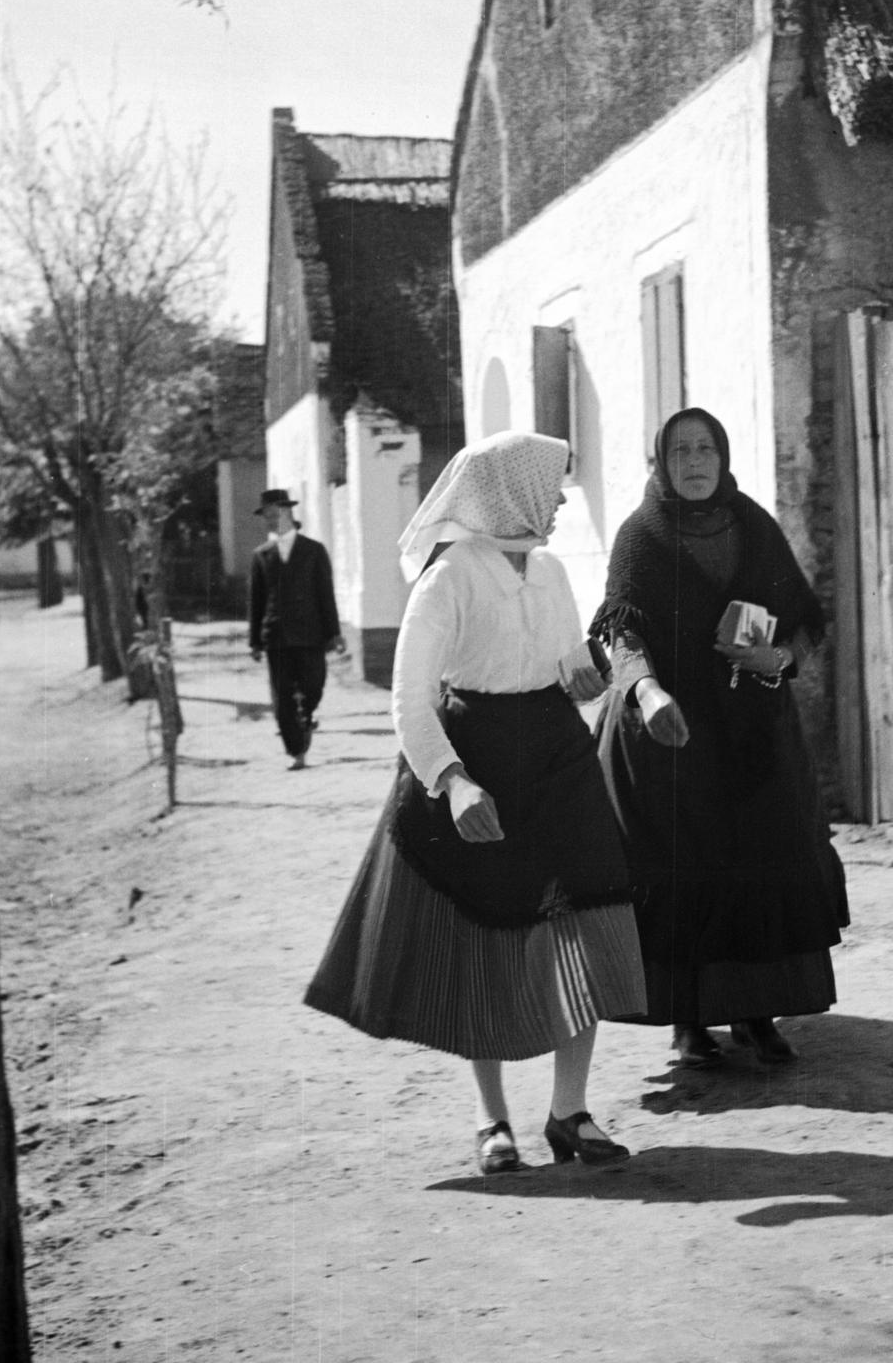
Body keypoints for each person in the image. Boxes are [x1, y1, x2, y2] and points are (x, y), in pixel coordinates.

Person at [305, 432, 646, 1174]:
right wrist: (453, 782)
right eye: (548, 487)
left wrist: (584, 677)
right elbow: (408, 696)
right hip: (477, 758)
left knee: (586, 922)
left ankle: (569, 1111)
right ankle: (493, 1123)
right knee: (482, 936)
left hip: (555, 759)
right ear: (509, 493)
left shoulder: (551, 572)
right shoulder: (449, 577)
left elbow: (560, 666)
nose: (557, 501)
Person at [589, 407, 849, 1069]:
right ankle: (687, 1022)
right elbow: (622, 635)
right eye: (681, 451)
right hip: (670, 737)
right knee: (683, 873)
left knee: (758, 866)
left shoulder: (753, 525)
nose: (695, 461)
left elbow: (800, 619)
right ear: (661, 462)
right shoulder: (640, 538)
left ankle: (756, 1015)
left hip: (753, 736)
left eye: (706, 448)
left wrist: (779, 661)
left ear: (722, 455)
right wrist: (646, 694)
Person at [248, 488, 346, 771]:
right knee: (282, 698)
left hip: (311, 634)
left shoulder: (313, 551)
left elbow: (325, 594)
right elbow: (256, 601)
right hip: (276, 636)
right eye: (265, 516)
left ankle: (307, 716)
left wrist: (334, 633)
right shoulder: (261, 556)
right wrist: (254, 641)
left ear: (288, 512)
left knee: (313, 686)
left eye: (274, 514)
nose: (269, 520)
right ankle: (296, 750)